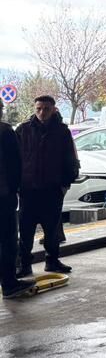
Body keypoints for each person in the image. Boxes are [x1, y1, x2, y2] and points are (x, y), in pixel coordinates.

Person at [16, 95, 79, 277]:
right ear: (34, 109)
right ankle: (24, 264)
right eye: (39, 109)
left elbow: (70, 159)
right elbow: (15, 159)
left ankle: (52, 261)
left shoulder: (62, 132)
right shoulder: (23, 130)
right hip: (28, 190)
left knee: (52, 229)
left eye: (46, 109)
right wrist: (17, 185)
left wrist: (65, 184)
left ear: (53, 110)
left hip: (52, 189)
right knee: (26, 230)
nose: (42, 112)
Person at [0, 103, 32, 298]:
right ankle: (9, 284)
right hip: (3, 196)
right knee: (7, 240)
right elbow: (15, 166)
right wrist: (16, 189)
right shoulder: (5, 132)